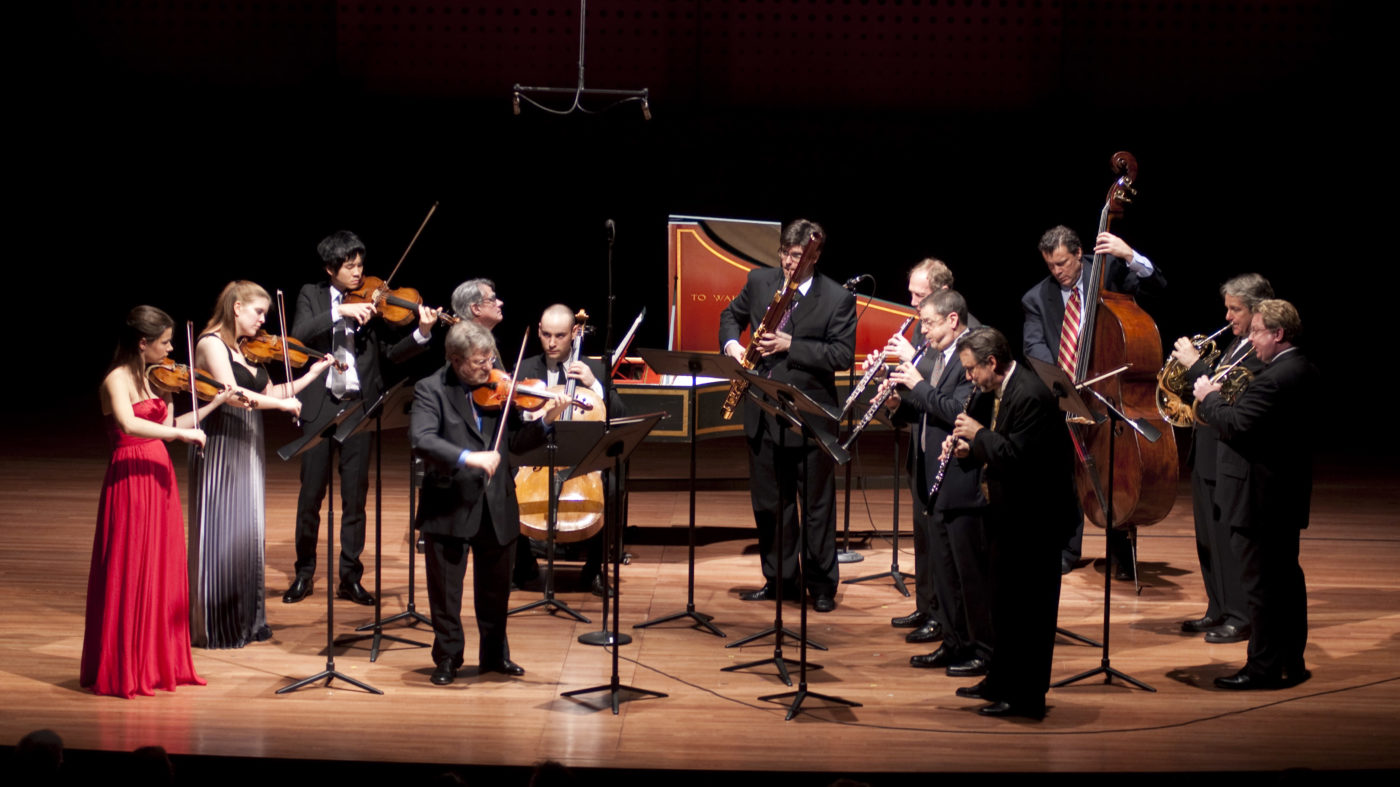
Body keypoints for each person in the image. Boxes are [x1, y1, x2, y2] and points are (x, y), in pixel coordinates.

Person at [283, 231, 437, 606]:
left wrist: (422, 332)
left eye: (360, 265)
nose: (358, 273)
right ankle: (304, 572)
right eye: (349, 266)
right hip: (320, 407)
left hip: (359, 409)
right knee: (310, 496)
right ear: (330, 268)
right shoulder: (312, 294)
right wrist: (340, 311)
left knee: (356, 498)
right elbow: (298, 335)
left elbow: (391, 353)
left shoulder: (374, 301)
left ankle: (349, 576)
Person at [410, 321, 568, 685]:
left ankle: (495, 656)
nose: (488, 368)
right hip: (449, 502)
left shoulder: (499, 387)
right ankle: (448, 658)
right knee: (446, 591)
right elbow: (421, 439)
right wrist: (469, 456)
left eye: (489, 358)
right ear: (454, 359)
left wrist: (546, 420)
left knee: (496, 589)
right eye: (479, 362)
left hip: (496, 502)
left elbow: (513, 443)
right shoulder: (430, 389)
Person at [83, 306, 225, 696]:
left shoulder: (156, 380)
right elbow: (129, 424)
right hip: (130, 480)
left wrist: (210, 406)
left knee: (162, 569)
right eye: (164, 342)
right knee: (131, 569)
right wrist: (179, 437)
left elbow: (165, 428)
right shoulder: (116, 378)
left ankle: (158, 663)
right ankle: (127, 667)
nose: (171, 348)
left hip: (159, 478)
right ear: (142, 343)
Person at [719, 218, 856, 612]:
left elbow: (841, 355)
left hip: (809, 418)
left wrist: (790, 344)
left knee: (815, 507)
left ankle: (822, 585)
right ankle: (780, 580)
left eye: (798, 257)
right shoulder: (760, 281)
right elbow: (731, 316)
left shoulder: (836, 298)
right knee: (771, 504)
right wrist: (732, 344)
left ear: (814, 256)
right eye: (785, 254)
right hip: (762, 413)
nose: (790, 264)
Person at [1021, 224, 1167, 578]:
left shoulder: (1109, 271)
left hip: (1109, 392)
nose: (1058, 272)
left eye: (1063, 264)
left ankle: (1121, 553)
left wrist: (1130, 255)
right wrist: (1060, 376)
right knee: (1069, 474)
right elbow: (1033, 345)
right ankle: (1068, 550)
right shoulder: (1036, 298)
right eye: (1051, 266)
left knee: (1112, 470)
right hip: (1068, 393)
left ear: (1078, 254)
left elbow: (1158, 286)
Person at [192, 281, 332, 648]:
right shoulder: (211, 343)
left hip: (248, 440)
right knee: (223, 530)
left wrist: (310, 377)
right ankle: (219, 624)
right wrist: (283, 407)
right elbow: (234, 394)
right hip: (222, 441)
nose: (263, 319)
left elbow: (269, 393)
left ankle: (246, 619)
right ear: (236, 308)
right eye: (258, 312)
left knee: (247, 530)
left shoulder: (245, 349)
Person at [946, 327, 1077, 719]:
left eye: (971, 370)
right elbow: (997, 448)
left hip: (1036, 522)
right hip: (1009, 516)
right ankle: (1000, 680)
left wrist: (979, 434)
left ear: (991, 362)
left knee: (1030, 614)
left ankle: (1026, 697)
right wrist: (970, 449)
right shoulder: (1001, 390)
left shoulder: (1032, 394)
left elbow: (1018, 455)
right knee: (1003, 604)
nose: (968, 377)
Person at [1193, 299, 1316, 690]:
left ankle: (1262, 669)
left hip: (1259, 502)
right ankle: (1289, 662)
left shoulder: (1275, 378)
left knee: (1262, 589)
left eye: (1257, 331)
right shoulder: (1304, 369)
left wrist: (1209, 394)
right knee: (1286, 585)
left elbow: (1235, 423)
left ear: (1278, 335)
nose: (1250, 338)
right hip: (1283, 497)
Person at [884, 291, 990, 675]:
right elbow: (927, 409)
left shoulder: (971, 356)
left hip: (962, 478)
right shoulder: (934, 356)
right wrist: (899, 405)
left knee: (968, 574)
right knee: (944, 569)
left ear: (952, 320)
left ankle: (980, 649)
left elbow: (956, 410)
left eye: (927, 322)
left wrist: (916, 384)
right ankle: (953, 640)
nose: (922, 330)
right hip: (932, 471)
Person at [1170, 273, 1273, 645]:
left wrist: (1196, 365)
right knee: (1207, 538)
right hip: (1207, 453)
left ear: (1257, 309)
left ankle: (1240, 615)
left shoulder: (1261, 353)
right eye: (1227, 308)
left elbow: (1226, 392)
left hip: (1232, 456)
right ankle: (1217, 607)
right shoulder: (1235, 344)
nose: (1228, 317)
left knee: (1230, 541)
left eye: (1236, 309)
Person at [877, 258, 977, 640]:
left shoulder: (969, 341)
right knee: (924, 538)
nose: (914, 306)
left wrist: (915, 380)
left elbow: (949, 405)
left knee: (946, 550)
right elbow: (921, 401)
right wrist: (894, 405)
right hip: (921, 454)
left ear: (943, 301)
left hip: (950, 463)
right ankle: (927, 607)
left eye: (920, 297)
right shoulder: (930, 335)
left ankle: (946, 621)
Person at [516, 304, 625, 594]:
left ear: (574, 334)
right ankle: (523, 564)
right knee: (503, 482)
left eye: (560, 336)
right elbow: (510, 421)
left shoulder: (596, 368)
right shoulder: (525, 369)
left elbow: (620, 414)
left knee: (612, 486)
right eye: (547, 335)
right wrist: (532, 414)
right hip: (534, 456)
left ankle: (594, 571)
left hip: (582, 460)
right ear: (538, 331)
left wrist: (595, 385)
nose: (552, 343)